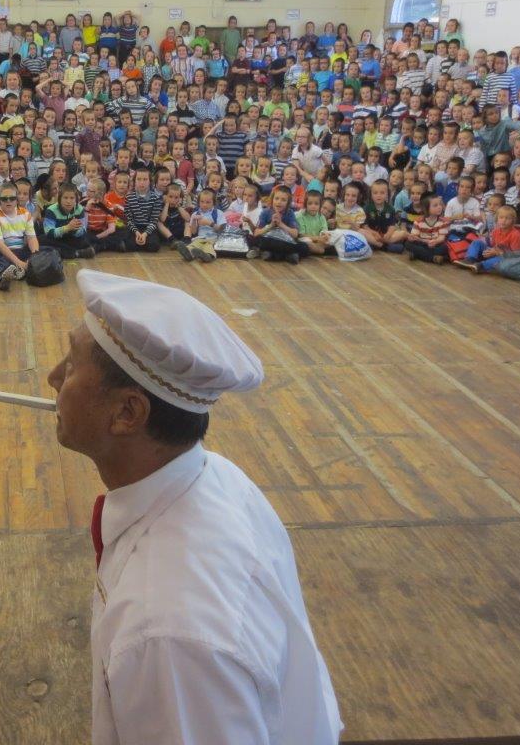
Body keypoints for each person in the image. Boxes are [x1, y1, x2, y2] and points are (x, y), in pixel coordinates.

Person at [47, 270, 339, 745]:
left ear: (127, 414)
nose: (54, 377)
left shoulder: (167, 633)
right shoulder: (218, 476)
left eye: (72, 364)